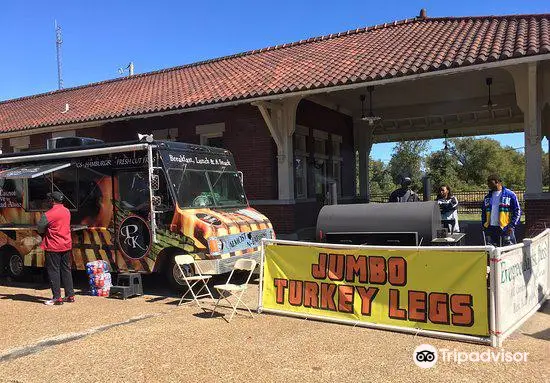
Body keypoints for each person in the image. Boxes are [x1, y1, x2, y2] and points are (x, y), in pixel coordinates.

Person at [37, 191, 75, 305]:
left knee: (54, 271)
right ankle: (70, 295)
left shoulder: (48, 214)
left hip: (53, 246)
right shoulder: (67, 211)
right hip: (66, 244)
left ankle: (57, 298)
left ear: (52, 201)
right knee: (66, 270)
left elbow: (40, 228)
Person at [481, 174, 521, 246]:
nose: (488, 184)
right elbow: (484, 212)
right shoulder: (487, 197)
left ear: (497, 181)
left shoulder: (510, 194)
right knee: (492, 253)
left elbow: (517, 211)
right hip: (491, 229)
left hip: (505, 228)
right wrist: (484, 225)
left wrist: (511, 226)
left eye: (489, 182)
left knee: (508, 252)